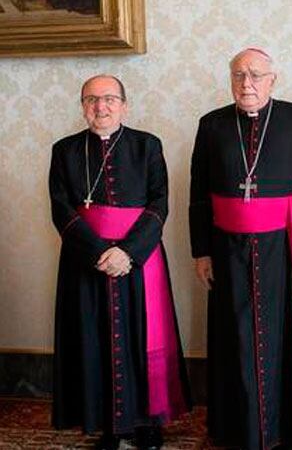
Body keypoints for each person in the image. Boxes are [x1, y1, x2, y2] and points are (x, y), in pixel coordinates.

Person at [49, 75, 190, 450]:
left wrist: (127, 252)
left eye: (110, 99)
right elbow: (61, 209)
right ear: (82, 107)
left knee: (142, 339)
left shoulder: (147, 145)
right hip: (86, 261)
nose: (101, 107)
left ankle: (147, 425)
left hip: (139, 262)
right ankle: (106, 426)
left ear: (124, 105)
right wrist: (98, 252)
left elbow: (160, 204)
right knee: (94, 341)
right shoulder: (64, 150)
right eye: (92, 100)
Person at [189, 47, 292, 449]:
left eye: (256, 75)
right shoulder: (211, 125)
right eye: (239, 75)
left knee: (286, 332)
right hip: (227, 251)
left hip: (284, 248)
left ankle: (288, 424)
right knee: (234, 335)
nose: (247, 83)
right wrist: (202, 251)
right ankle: (235, 426)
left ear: (273, 79)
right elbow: (198, 192)